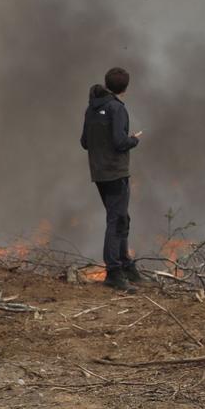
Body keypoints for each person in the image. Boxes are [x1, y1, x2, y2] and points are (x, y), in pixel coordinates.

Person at [80, 66, 143, 290]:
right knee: (116, 221)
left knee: (121, 218)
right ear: (125, 87)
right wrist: (133, 140)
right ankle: (114, 272)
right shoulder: (117, 109)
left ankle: (126, 265)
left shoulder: (91, 108)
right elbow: (119, 142)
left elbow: (84, 142)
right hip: (116, 172)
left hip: (99, 173)